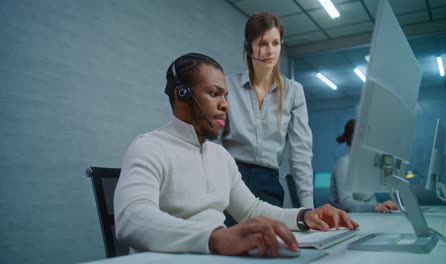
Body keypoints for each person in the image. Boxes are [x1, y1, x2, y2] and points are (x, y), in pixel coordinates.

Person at [114, 53, 359, 257]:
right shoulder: (149, 147)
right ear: (183, 95)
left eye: (226, 96)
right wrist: (216, 238)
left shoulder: (220, 156)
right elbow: (132, 220)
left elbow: (251, 210)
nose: (226, 105)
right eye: (214, 93)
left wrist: (305, 215)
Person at [220, 12, 314, 211]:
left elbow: (301, 153)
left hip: (269, 183)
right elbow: (210, 142)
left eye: (276, 43)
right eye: (262, 44)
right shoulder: (227, 86)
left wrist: (308, 207)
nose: (270, 51)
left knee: (269, 242)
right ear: (249, 46)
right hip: (231, 180)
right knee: (233, 241)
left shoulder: (293, 91)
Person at [329, 119, 398, 213]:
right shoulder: (344, 163)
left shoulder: (364, 166)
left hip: (363, 218)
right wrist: (375, 207)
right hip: (345, 220)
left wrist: (381, 207)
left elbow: (370, 198)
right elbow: (345, 203)